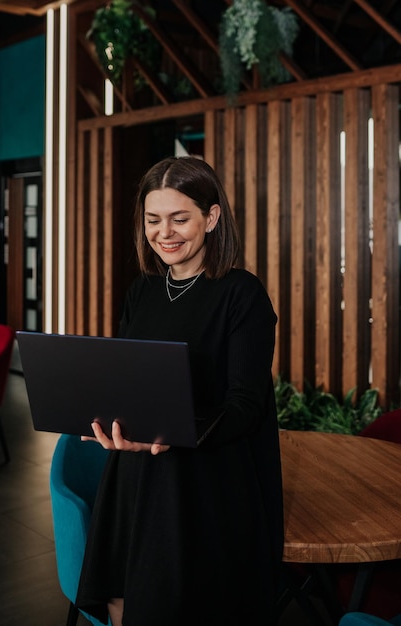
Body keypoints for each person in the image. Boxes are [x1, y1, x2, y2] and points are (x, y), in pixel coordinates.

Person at [75, 155, 284, 626]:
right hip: (133, 473)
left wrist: (177, 431)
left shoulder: (242, 294)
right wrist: (103, 415)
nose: (164, 232)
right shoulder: (142, 290)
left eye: (179, 218)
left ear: (211, 218)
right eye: (153, 220)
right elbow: (126, 380)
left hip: (201, 483)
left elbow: (246, 407)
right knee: (120, 600)